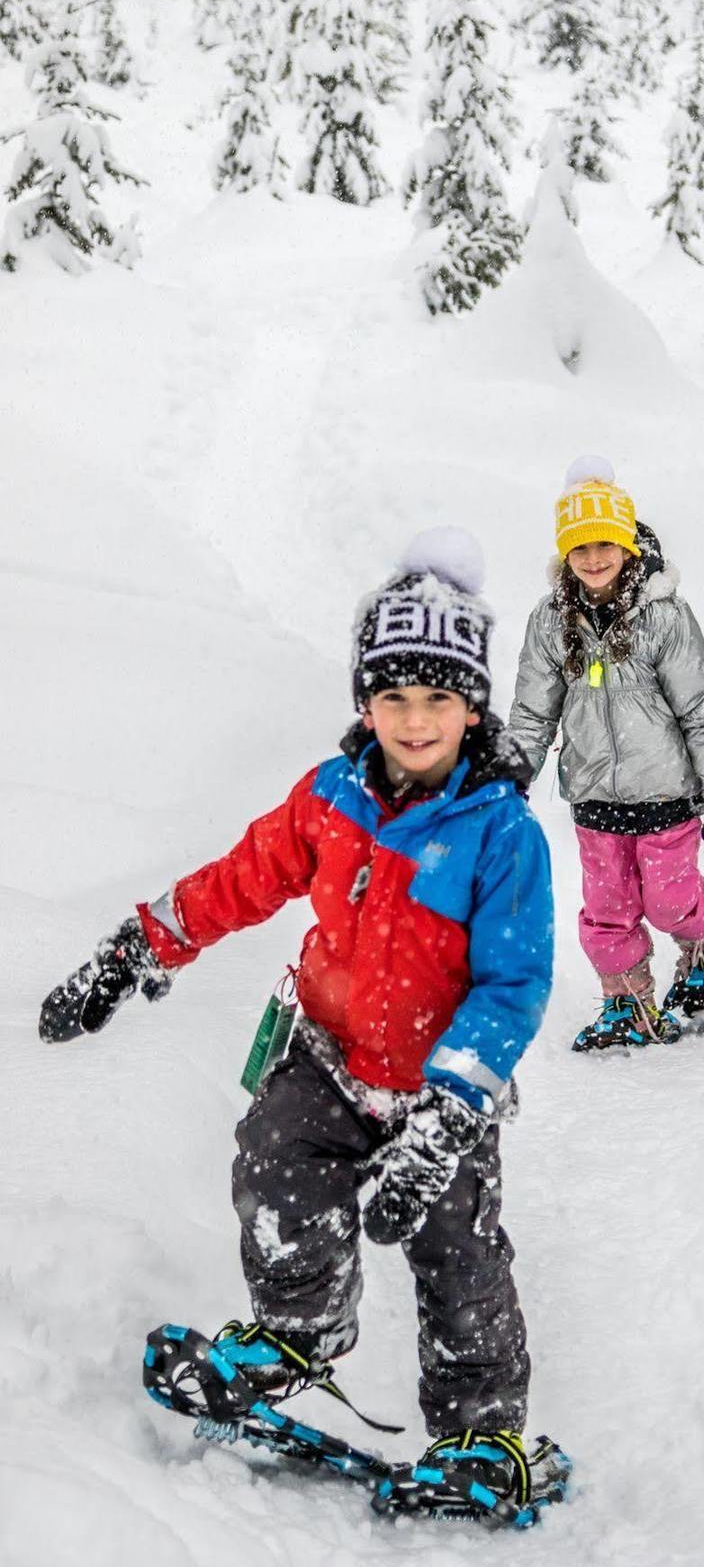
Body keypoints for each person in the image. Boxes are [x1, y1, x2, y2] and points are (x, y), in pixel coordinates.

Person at [38, 529, 556, 1510]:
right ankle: (296, 1328)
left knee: (459, 1254)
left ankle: (486, 1436)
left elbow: (513, 985)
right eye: (393, 697)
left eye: (436, 699)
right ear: (363, 700)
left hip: (440, 1090)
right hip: (322, 1056)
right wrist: (139, 946)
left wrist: (449, 1115)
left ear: (471, 706)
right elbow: (243, 880)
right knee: (272, 1162)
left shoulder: (498, 833)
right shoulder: (329, 801)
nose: (413, 721)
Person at [508, 456, 704, 1051]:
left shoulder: (663, 615)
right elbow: (532, 711)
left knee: (673, 901)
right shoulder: (550, 622)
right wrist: (514, 773)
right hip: (595, 799)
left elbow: (698, 704)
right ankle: (628, 1002)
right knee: (606, 913)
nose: (594, 560)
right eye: (579, 549)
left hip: (666, 794)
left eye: (605, 545)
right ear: (564, 556)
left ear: (625, 545)